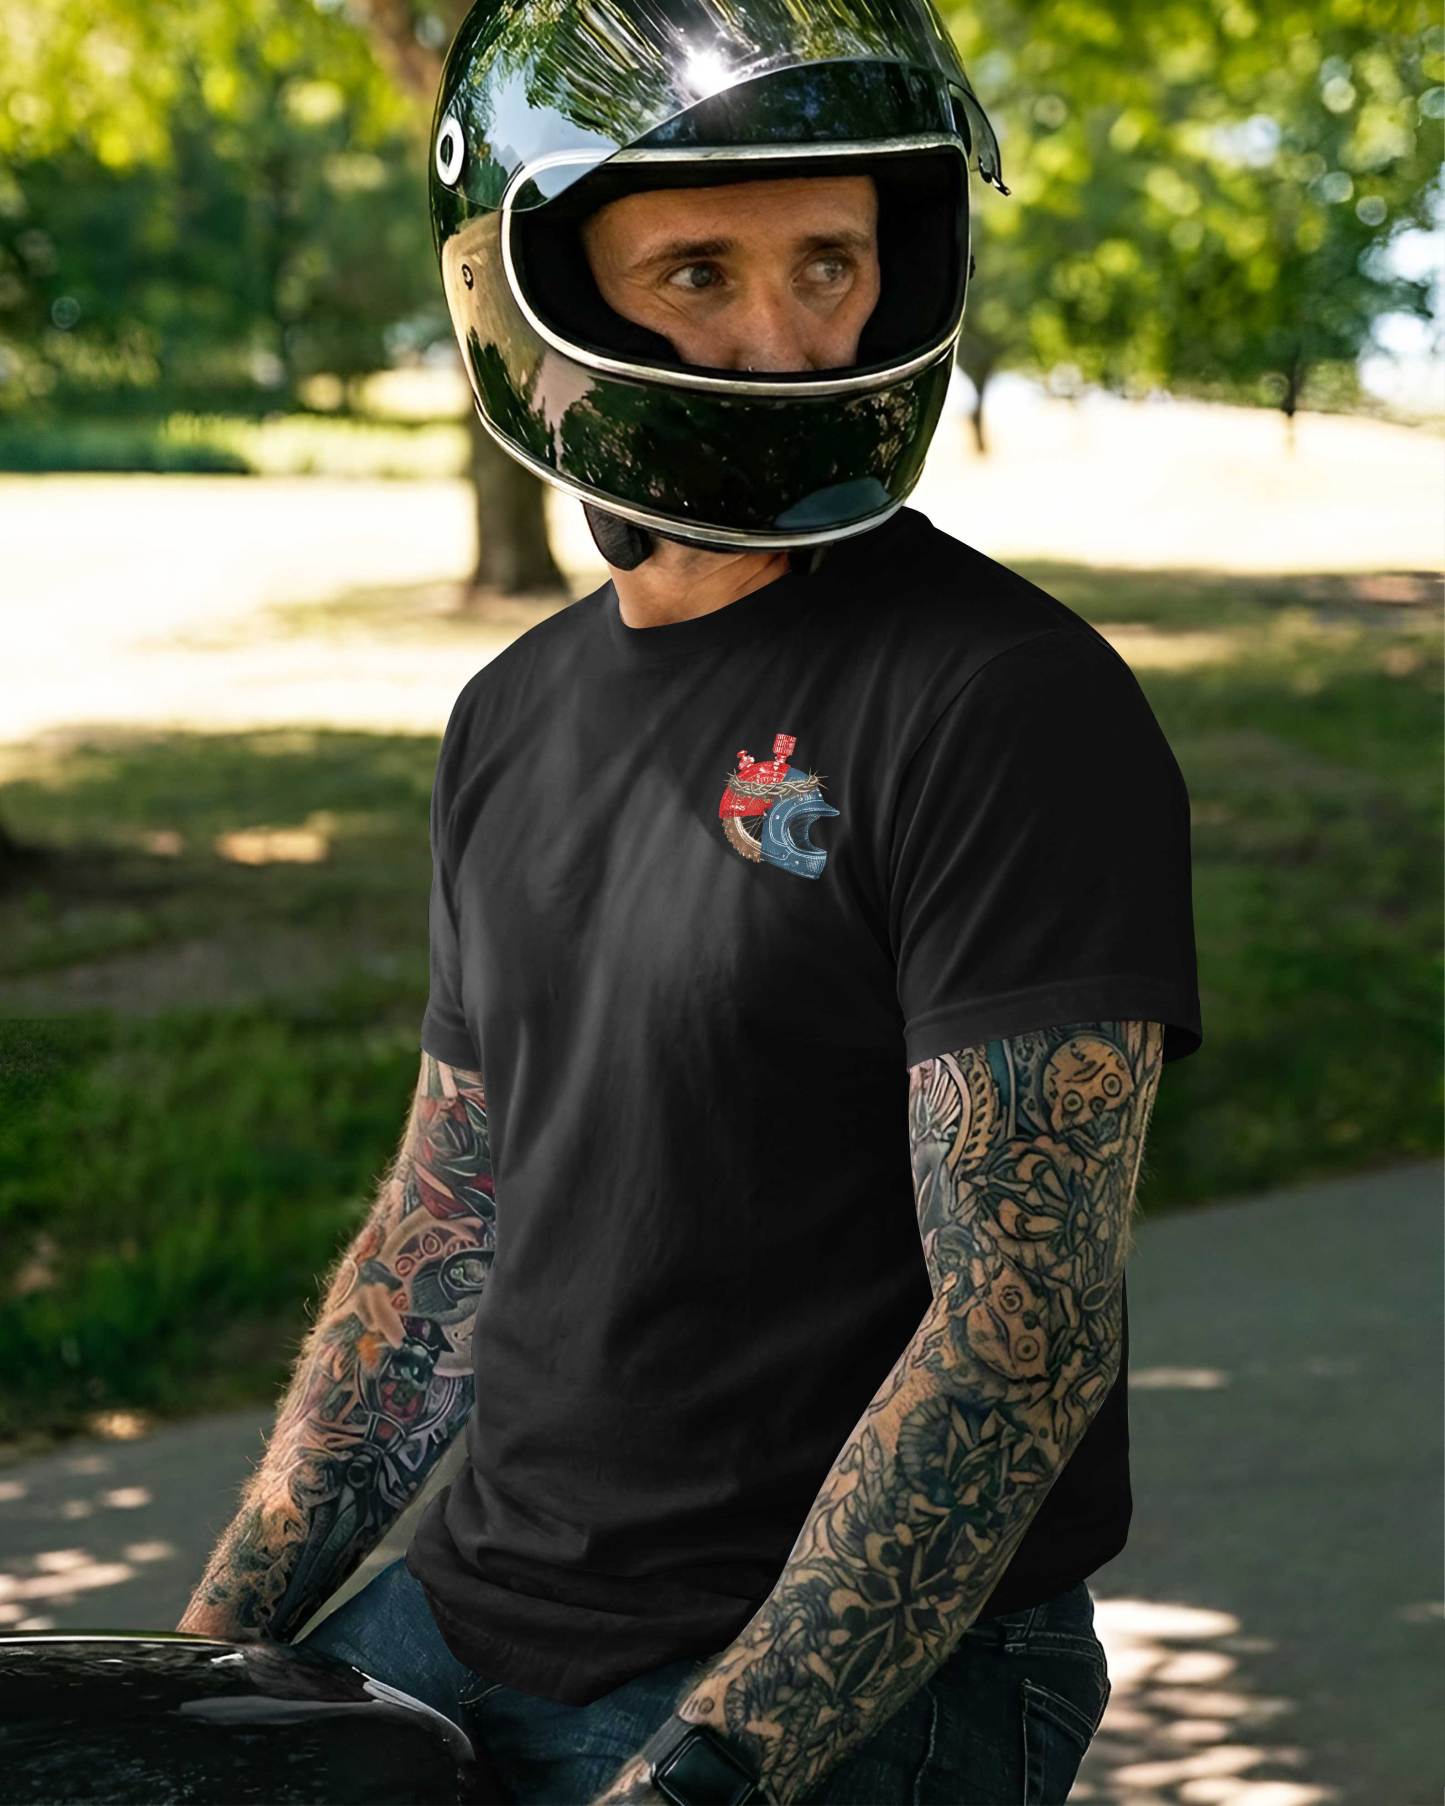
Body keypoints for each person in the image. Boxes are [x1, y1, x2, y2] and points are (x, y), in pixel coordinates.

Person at [179, 3, 1204, 1803]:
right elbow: (446, 1216)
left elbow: (1016, 1334)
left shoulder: (1005, 704)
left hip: (842, 1656)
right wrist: (195, 1662)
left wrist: (708, 1767)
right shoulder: (509, 714)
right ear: (535, 295)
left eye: (829, 263)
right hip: (474, 1602)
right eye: (698, 272)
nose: (782, 338)